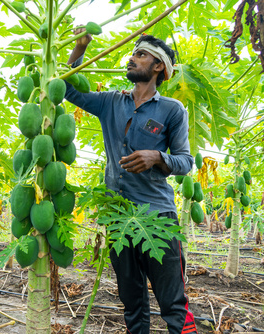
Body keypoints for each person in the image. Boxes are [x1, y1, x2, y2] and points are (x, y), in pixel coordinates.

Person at [64, 32, 198, 334]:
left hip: (156, 218)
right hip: (118, 218)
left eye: (140, 54)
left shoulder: (172, 110)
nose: (131, 57)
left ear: (158, 67)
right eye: (133, 53)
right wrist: (80, 47)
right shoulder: (112, 102)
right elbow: (68, 89)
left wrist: (157, 157)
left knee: (173, 304)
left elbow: (186, 162)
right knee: (132, 303)